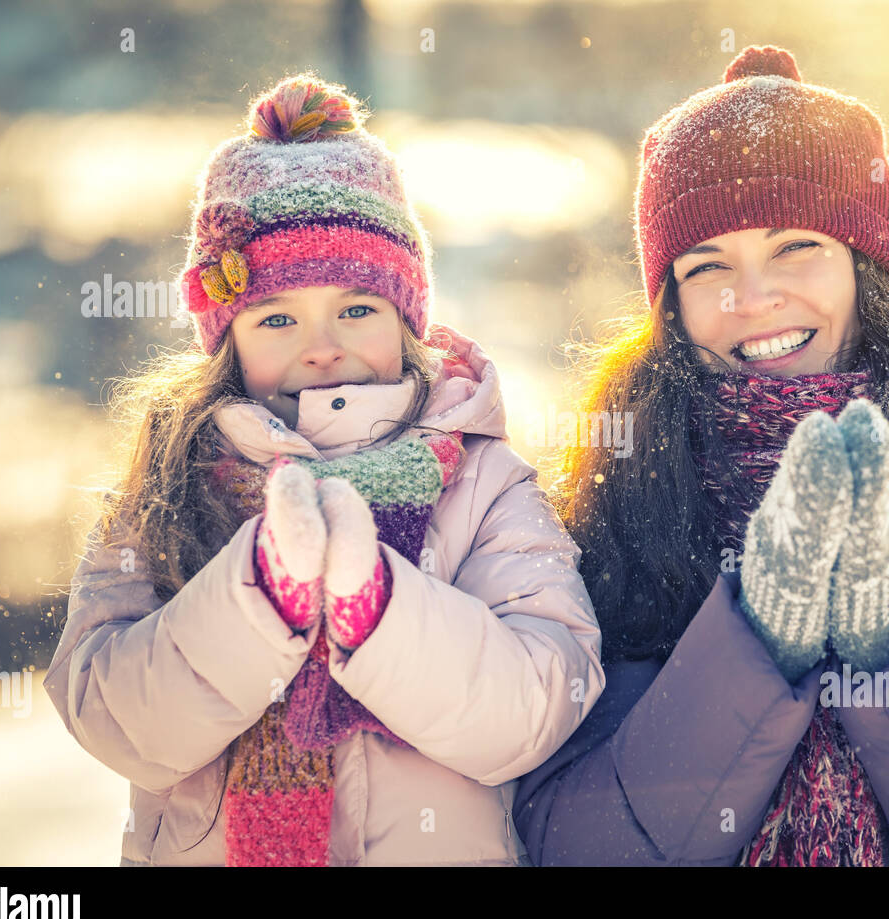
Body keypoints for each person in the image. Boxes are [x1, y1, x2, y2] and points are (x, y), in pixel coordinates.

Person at [512, 45, 889, 866]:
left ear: (868, 266)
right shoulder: (609, 512)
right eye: (707, 266)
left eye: (795, 246)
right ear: (671, 308)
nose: (754, 296)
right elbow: (569, 842)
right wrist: (759, 631)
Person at [45, 72, 603, 866]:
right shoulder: (172, 478)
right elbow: (109, 711)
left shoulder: (482, 481)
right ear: (226, 338)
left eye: (356, 307)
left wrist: (375, 606)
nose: (322, 344)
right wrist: (263, 595)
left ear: (407, 318)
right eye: (277, 317)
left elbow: (546, 697)